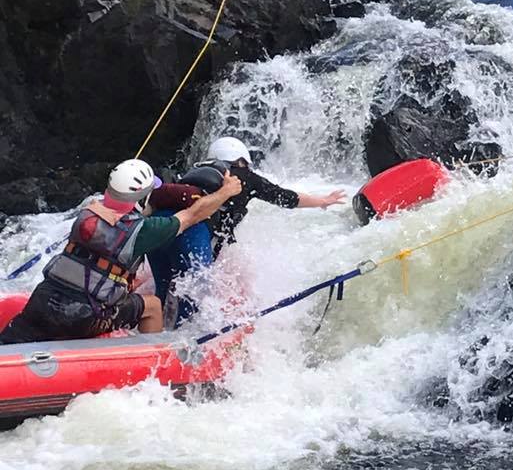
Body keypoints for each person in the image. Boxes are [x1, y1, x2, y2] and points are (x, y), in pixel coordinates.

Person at [0, 159, 242, 344]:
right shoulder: (143, 231)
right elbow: (192, 214)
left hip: (42, 301)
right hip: (84, 317)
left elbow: (111, 238)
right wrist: (225, 192)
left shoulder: (86, 214)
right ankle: (148, 361)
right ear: (143, 197)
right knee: (152, 306)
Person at [146, 137, 345, 323]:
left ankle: (151, 332)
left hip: (159, 225)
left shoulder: (193, 174)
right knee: (197, 293)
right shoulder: (244, 177)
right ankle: (182, 344)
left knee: (163, 288)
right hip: (192, 231)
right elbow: (285, 197)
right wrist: (322, 201)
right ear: (243, 160)